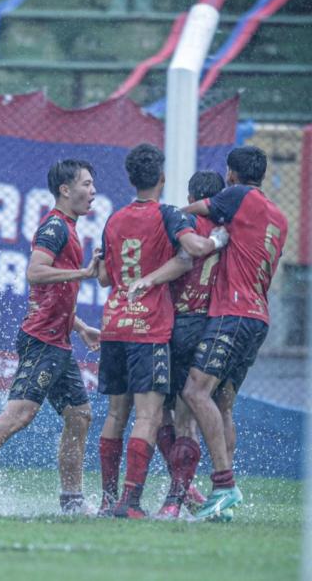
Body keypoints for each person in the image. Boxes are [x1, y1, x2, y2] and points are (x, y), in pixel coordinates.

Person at [0, 159, 101, 515]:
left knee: (80, 416)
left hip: (59, 342)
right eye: (86, 185)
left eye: (93, 185)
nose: (93, 192)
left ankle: (72, 501)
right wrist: (85, 273)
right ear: (65, 189)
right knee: (19, 414)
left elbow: (52, 296)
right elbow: (35, 273)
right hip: (42, 341)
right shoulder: (55, 228)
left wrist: (80, 327)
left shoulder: (70, 228)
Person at [96, 144, 228, 519]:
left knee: (115, 415)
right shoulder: (168, 214)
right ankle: (131, 503)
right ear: (162, 178)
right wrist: (216, 240)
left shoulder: (114, 218)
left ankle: (107, 500)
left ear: (130, 178)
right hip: (149, 328)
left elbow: (105, 276)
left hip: (114, 324)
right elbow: (191, 252)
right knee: (150, 417)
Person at [179, 146, 287, 520]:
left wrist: (172, 216)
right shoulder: (278, 216)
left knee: (194, 391)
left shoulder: (239, 196)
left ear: (232, 175)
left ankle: (224, 484)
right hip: (258, 317)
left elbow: (196, 211)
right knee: (223, 403)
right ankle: (221, 494)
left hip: (233, 313)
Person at [128, 170, 226, 518]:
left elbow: (179, 260)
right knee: (186, 416)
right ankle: (182, 490)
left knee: (162, 414)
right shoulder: (226, 229)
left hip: (173, 325)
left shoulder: (181, 224)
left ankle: (176, 495)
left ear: (191, 194)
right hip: (208, 325)